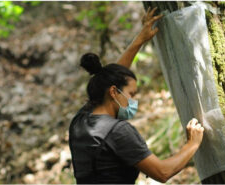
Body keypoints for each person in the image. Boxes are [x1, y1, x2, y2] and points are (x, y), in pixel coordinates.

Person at [68, 7, 204, 184]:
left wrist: (139, 40)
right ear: (113, 92)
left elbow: (110, 78)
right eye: (131, 94)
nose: (133, 101)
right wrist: (192, 144)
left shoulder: (80, 121)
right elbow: (163, 172)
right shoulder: (117, 132)